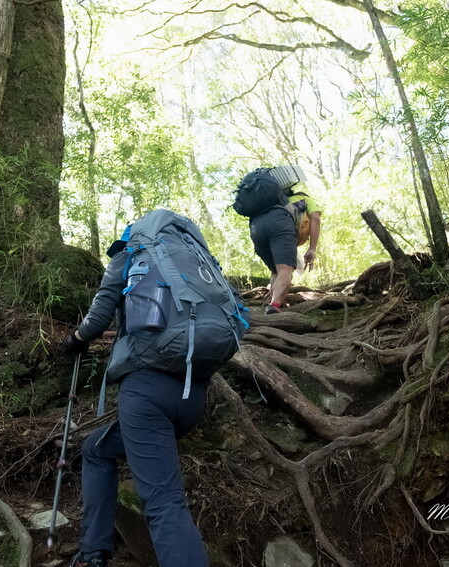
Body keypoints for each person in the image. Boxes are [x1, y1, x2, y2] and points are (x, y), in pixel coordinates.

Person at [61, 210, 245, 567]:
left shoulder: (131, 251)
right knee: (96, 449)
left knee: (164, 503)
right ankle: (93, 553)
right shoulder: (195, 256)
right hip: (192, 398)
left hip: (146, 395)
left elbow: (99, 316)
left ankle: (95, 555)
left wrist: (76, 340)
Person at [244, 167, 323, 314]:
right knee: (285, 270)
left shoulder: (269, 203)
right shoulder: (303, 198)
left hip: (256, 226)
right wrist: (312, 248)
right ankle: (274, 305)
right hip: (279, 223)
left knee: (276, 271)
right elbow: (315, 219)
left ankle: (274, 302)